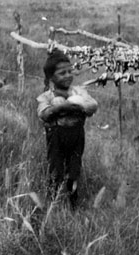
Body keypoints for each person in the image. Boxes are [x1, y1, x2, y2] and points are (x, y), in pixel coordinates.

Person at [36, 49, 98, 208]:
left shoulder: (79, 92)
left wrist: (80, 104)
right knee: (55, 169)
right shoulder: (48, 96)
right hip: (56, 136)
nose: (68, 75)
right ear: (51, 78)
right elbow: (43, 113)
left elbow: (93, 105)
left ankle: (73, 202)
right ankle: (52, 202)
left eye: (70, 71)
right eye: (62, 73)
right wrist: (60, 107)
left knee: (74, 168)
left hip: (76, 135)